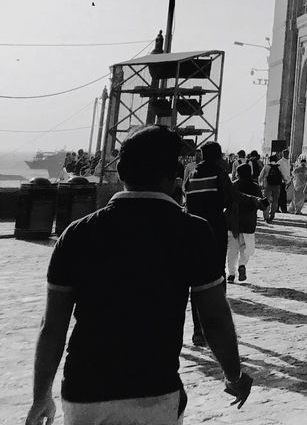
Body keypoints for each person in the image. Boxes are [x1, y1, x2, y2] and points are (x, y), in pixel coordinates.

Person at [26, 126, 254, 425]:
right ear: (172, 176)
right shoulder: (192, 232)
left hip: (84, 392)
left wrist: (40, 395)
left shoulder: (77, 233)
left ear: (122, 172)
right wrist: (234, 375)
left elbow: (53, 325)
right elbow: (214, 317)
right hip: (153, 393)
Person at [184, 141, 240, 348]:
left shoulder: (193, 174)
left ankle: (198, 330)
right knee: (217, 278)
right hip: (214, 230)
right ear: (218, 157)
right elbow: (230, 199)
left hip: (193, 231)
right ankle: (216, 327)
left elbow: (188, 200)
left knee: (197, 280)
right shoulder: (218, 173)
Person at [227, 163, 263, 283]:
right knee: (245, 248)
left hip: (233, 222)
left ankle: (231, 274)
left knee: (232, 250)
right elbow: (262, 203)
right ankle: (242, 265)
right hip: (249, 222)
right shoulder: (255, 186)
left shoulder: (233, 186)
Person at [262, 154, 284, 223]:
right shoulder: (279, 167)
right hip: (277, 186)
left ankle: (266, 217)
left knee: (266, 201)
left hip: (267, 186)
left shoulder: (266, 167)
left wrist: (260, 183)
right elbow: (283, 176)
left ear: (269, 160)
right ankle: (272, 216)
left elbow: (261, 176)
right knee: (275, 201)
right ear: (276, 160)